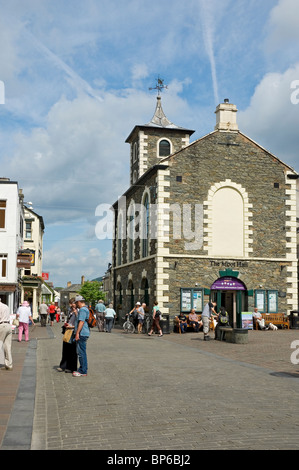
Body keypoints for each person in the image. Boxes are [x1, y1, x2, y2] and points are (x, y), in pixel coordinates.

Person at [57, 301, 78, 373]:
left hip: (73, 331)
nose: (72, 305)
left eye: (73, 304)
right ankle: (63, 365)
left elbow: (79, 321)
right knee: (65, 349)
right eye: (71, 304)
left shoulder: (78, 311)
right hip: (68, 331)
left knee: (72, 350)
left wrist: (76, 313)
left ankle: (71, 367)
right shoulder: (70, 311)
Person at [73, 295, 90, 377]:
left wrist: (77, 333)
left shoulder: (83, 310)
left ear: (79, 302)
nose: (76, 304)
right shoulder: (85, 309)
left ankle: (83, 370)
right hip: (84, 333)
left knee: (81, 352)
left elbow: (81, 322)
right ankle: (83, 369)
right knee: (82, 352)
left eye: (76, 303)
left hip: (82, 333)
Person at [0, 298, 13, 371]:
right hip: (8, 325)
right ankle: (9, 364)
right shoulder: (6, 306)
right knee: (7, 346)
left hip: (1, 325)